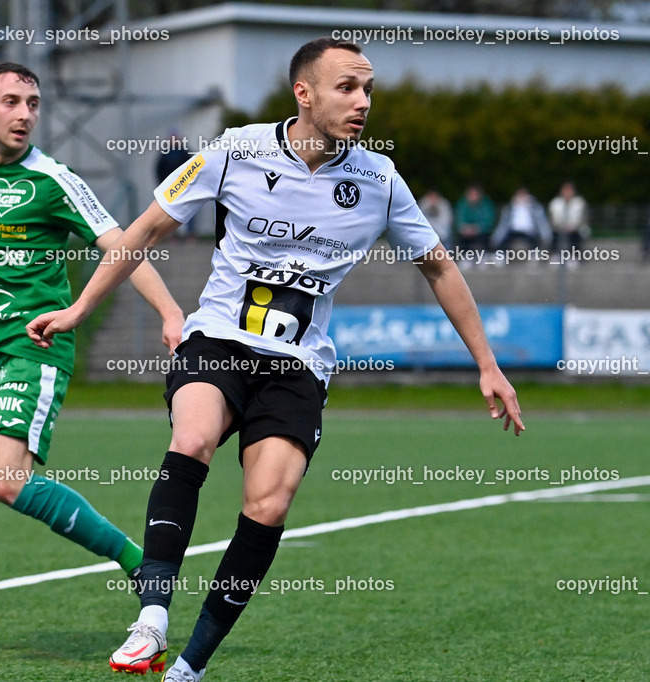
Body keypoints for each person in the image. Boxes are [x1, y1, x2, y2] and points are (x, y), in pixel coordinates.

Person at [27, 38, 524, 681]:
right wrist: (78, 310)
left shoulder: (378, 179)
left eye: (368, 90)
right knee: (195, 435)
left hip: (298, 365)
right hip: (219, 342)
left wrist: (486, 363)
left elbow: (439, 267)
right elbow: (144, 229)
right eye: (347, 87)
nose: (362, 102)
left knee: (268, 505)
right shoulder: (236, 150)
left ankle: (189, 667)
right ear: (304, 92)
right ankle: (151, 617)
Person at [0, 62, 184, 665]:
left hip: (36, 345)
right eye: (12, 101)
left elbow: (122, 246)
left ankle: (137, 562)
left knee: (5, 480)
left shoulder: (55, 180)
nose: (24, 114)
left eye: (34, 103)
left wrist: (171, 314)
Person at [490, 186, 553, 260]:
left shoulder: (535, 207)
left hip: (529, 232)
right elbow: (503, 225)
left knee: (535, 240)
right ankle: (501, 255)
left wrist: (546, 237)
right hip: (513, 232)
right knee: (504, 240)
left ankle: (535, 254)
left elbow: (541, 222)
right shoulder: (510, 208)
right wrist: (495, 238)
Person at [156, 129, 195, 241]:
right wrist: (162, 185)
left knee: (189, 210)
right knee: (170, 213)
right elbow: (159, 169)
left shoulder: (184, 152)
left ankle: (190, 234)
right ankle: (174, 236)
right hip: (170, 188)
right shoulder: (165, 153)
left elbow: (192, 167)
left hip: (185, 186)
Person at [453, 183, 497, 267]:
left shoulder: (486, 204)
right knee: (461, 238)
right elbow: (458, 220)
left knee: (484, 237)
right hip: (466, 232)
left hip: (481, 232)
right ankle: (465, 257)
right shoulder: (462, 204)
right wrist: (465, 228)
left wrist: (477, 228)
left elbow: (488, 221)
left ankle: (483, 256)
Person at [547, 180, 589, 266]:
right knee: (553, 235)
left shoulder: (580, 203)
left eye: (569, 190)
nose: (567, 193)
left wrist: (574, 226)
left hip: (575, 229)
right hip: (558, 229)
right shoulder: (555, 203)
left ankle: (574, 256)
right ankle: (555, 255)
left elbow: (583, 218)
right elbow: (551, 219)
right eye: (565, 190)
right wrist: (560, 226)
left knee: (576, 236)